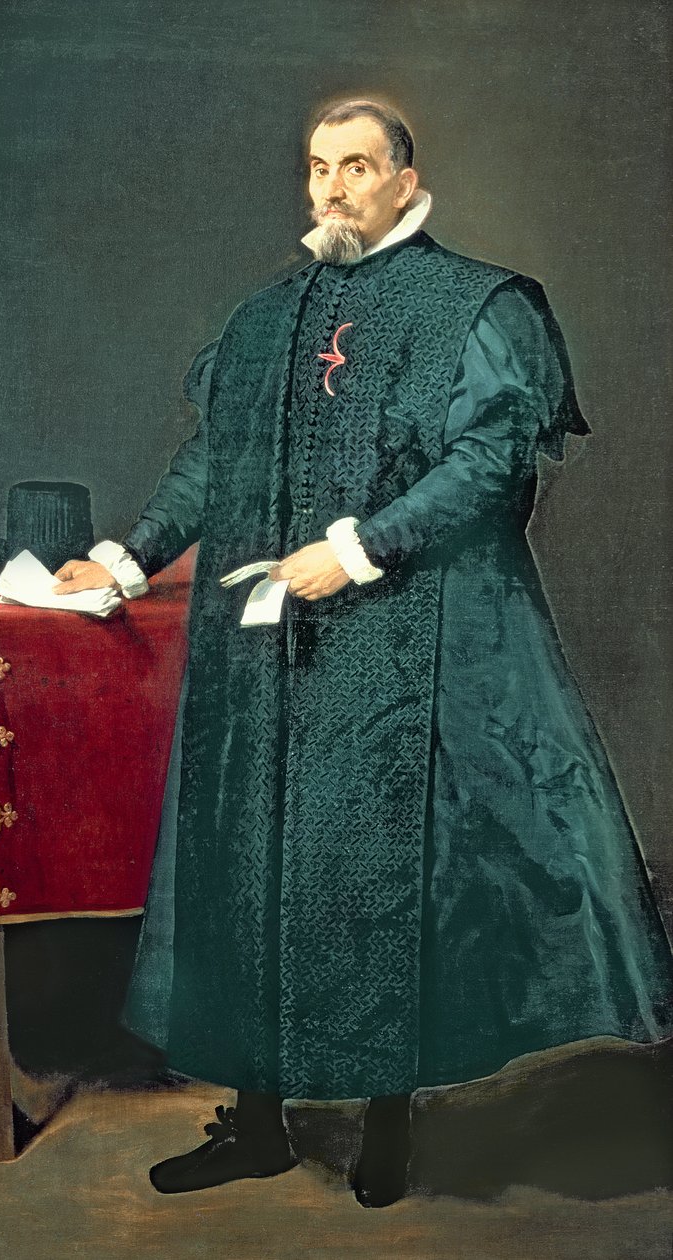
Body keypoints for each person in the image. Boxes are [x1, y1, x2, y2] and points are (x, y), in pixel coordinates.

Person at [55, 99, 673, 1208]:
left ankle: (391, 1123)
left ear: (403, 180)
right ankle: (256, 1122)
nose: (332, 188)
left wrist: (357, 550)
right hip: (260, 661)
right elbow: (213, 461)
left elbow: (489, 460)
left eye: (355, 166)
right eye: (317, 167)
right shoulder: (264, 317)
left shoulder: (476, 304)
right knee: (248, 876)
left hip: (409, 645)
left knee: (386, 885)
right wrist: (124, 557)